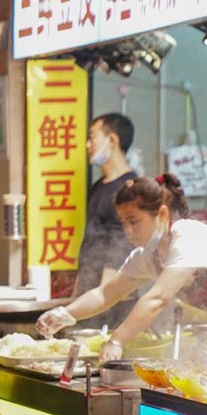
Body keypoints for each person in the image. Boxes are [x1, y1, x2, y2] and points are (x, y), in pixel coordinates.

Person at [37, 174, 207, 361]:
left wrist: (117, 340)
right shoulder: (147, 256)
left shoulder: (190, 235)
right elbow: (105, 294)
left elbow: (158, 299)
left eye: (133, 221)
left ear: (163, 214)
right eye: (123, 222)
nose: (127, 231)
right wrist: (65, 313)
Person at [76, 113, 139, 328]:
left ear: (112, 140)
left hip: (113, 300)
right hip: (91, 293)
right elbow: (92, 241)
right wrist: (78, 294)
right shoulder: (98, 186)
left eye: (93, 137)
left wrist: (104, 297)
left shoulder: (130, 188)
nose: (87, 145)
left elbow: (121, 245)